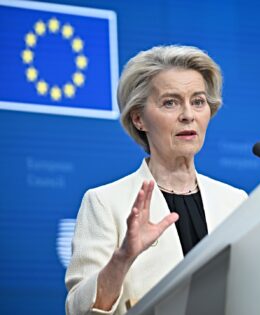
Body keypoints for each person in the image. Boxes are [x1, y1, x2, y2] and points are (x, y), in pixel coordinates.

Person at [65, 45, 247, 315]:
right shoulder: (105, 202)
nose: (188, 115)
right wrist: (123, 257)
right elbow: (77, 309)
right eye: (170, 102)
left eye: (197, 101)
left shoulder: (235, 201)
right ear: (139, 118)